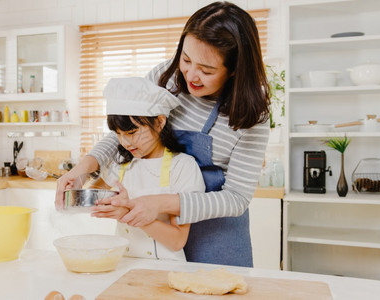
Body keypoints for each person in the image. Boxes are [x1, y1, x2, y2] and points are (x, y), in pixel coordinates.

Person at [56, 1, 270, 267]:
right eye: (187, 59)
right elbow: (126, 130)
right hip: (155, 227)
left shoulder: (251, 113)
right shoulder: (164, 77)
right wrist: (82, 170)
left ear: (235, 69)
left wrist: (159, 204)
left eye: (206, 70)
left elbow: (236, 198)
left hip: (216, 235)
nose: (191, 74)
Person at [91, 77, 205, 261]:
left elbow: (177, 240)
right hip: (123, 266)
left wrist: (127, 215)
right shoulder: (120, 164)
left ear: (160, 122)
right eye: (118, 134)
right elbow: (92, 194)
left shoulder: (182, 166)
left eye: (132, 132)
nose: (125, 143)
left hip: (166, 270)